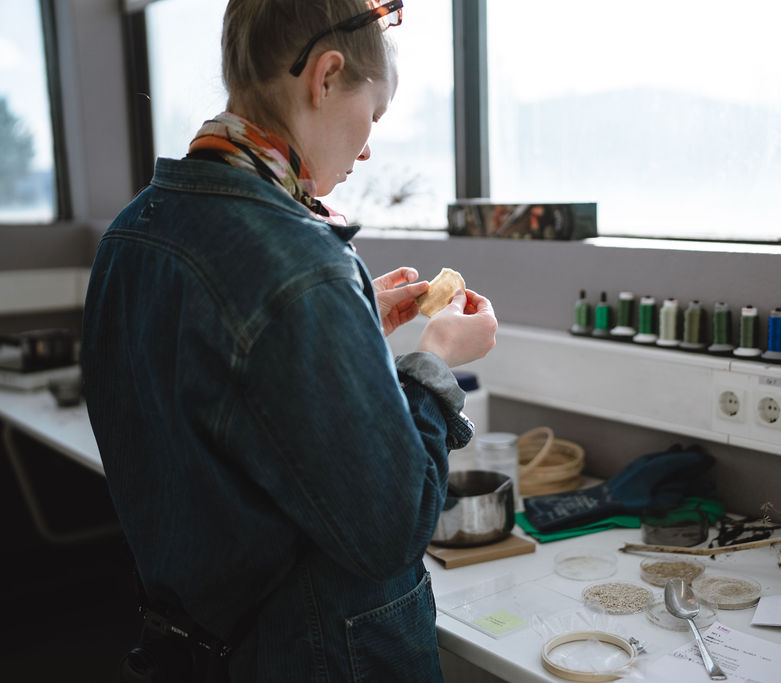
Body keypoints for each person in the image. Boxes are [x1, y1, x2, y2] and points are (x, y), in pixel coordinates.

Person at [80, 1, 497, 680]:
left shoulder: (131, 233)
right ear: (325, 77)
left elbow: (224, 403)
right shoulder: (303, 265)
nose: (368, 148)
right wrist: (436, 359)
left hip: (196, 644)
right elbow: (392, 528)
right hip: (317, 652)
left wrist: (351, 328)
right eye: (374, 115)